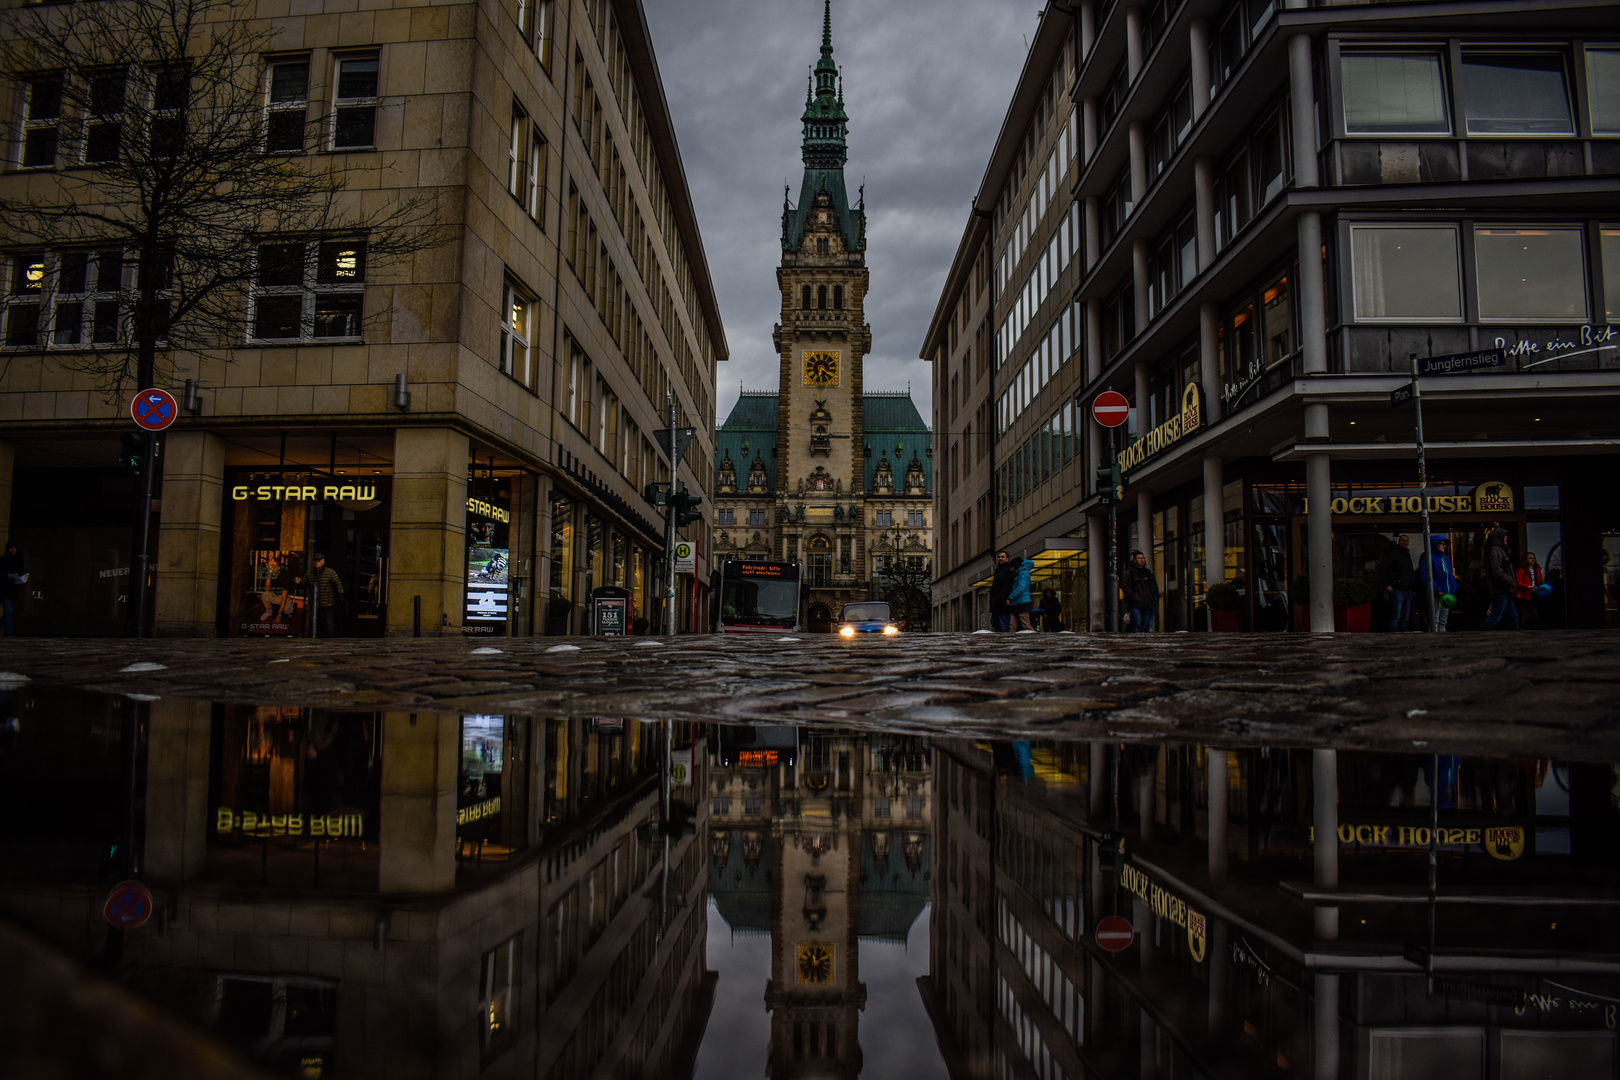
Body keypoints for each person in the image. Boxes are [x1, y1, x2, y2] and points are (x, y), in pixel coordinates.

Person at [1477, 527, 1519, 630]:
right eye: (1503, 536)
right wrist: (1510, 580)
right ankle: (1477, 635)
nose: (1506, 538)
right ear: (1498, 538)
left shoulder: (1500, 551)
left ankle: (1516, 638)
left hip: (1505, 589)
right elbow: (1496, 571)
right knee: (1495, 617)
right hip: (1501, 588)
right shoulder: (1495, 551)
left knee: (1513, 617)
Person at [1417, 535, 1459, 632]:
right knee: (1434, 619)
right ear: (1434, 544)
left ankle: (1442, 640)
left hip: (1447, 594)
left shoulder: (1446, 559)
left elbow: (1450, 575)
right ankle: (1433, 640)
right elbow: (1426, 576)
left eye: (1445, 544)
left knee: (1443, 620)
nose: (1443, 546)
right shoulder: (1429, 559)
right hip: (1436, 593)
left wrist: (1453, 588)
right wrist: (1436, 589)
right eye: (1441, 544)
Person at [1379, 534, 1417, 632]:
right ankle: (1393, 637)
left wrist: (1412, 587)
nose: (1404, 542)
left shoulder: (1407, 554)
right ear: (1398, 542)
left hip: (1407, 590)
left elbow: (1408, 572)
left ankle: (1402, 637)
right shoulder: (1394, 553)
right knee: (1396, 616)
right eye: (1402, 540)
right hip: (1398, 589)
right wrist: (1387, 585)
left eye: (1406, 540)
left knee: (1405, 616)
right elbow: (1383, 568)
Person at [307, 553, 345, 638]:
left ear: (323, 561)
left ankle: (329, 637)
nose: (317, 562)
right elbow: (304, 582)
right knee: (317, 621)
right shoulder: (311, 573)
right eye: (315, 561)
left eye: (319, 561)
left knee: (328, 621)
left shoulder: (330, 572)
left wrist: (341, 594)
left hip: (327, 601)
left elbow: (338, 583)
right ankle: (317, 636)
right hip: (315, 601)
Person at [1122, 550, 1158, 632]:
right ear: (1134, 560)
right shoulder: (1129, 573)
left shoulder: (1148, 573)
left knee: (1144, 624)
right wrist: (1134, 598)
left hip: (1146, 603)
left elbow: (1152, 587)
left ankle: (1141, 641)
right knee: (1137, 623)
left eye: (1143, 558)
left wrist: (1150, 598)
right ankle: (1135, 641)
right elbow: (1126, 588)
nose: (1142, 560)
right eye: (1139, 558)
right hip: (1135, 604)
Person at [0, 541, 24, 636]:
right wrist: (7, 575)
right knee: (9, 612)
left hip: (14, 591)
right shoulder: (2, 560)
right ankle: (9, 635)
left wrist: (20, 577)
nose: (12, 550)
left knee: (8, 613)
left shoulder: (19, 560)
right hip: (5, 590)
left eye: (14, 548)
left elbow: (22, 572)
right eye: (11, 548)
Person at [1515, 552, 1544, 631]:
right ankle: (1524, 628)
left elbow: (1541, 581)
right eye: (1530, 558)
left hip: (1536, 594)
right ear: (1525, 560)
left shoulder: (1537, 571)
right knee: (1534, 614)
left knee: (1536, 615)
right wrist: (1528, 587)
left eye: (1533, 558)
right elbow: (1518, 582)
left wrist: (1541, 587)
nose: (1532, 560)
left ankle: (1532, 630)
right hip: (1525, 595)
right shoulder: (1521, 571)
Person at [988, 550, 1016, 632]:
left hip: (1002, 603)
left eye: (1003, 557)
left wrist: (999, 599)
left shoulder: (1008, 571)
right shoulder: (999, 571)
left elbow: (1006, 587)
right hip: (997, 602)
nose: (1000, 558)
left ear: (1007, 559)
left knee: (1003, 624)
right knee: (994, 622)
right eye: (999, 557)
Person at [1007, 555, 1037, 631]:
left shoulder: (1022, 573)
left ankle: (1033, 638)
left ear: (1016, 566)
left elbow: (1021, 587)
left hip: (1021, 602)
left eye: (1012, 567)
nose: (1011, 570)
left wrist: (1010, 597)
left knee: (1024, 624)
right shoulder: (1021, 573)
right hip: (1019, 601)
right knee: (1015, 625)